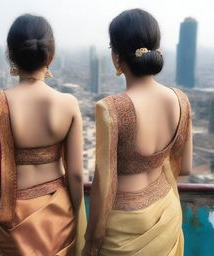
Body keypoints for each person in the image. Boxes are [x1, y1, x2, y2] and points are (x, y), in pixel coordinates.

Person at [83, 9, 192, 256]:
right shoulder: (181, 100)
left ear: (116, 56)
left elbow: (104, 183)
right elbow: (184, 167)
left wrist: (92, 238)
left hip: (123, 224)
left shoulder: (111, 108)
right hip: (166, 212)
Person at [0, 14, 86, 256]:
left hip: (11, 215)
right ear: (51, 56)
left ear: (11, 55)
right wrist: (75, 214)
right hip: (58, 216)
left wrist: (9, 201)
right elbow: (76, 175)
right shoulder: (68, 104)